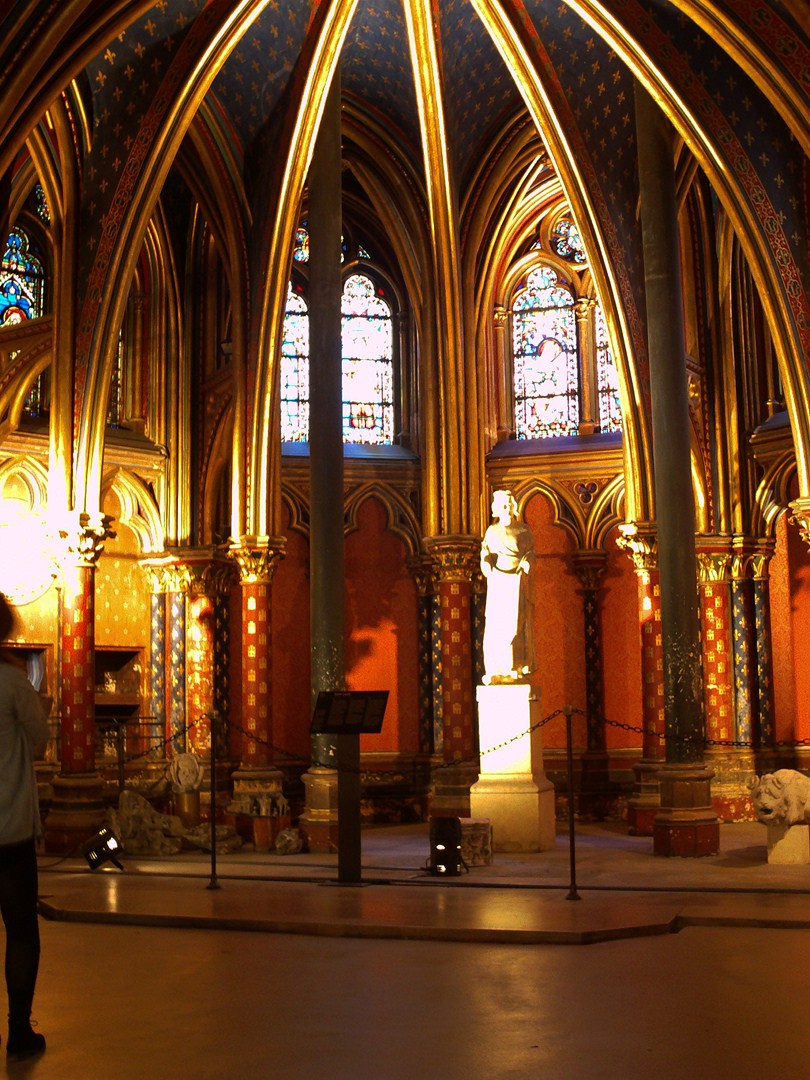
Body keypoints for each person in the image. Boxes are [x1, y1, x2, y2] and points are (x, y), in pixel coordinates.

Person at [0, 593, 48, 1061]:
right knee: (20, 930)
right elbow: (40, 739)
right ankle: (18, 1030)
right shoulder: (13, 683)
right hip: (9, 828)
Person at [480, 489, 536, 683]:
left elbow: (530, 552)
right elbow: (485, 551)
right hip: (497, 582)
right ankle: (496, 668)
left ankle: (514, 666)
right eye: (502, 505)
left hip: (516, 581)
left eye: (509, 505)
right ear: (496, 508)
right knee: (496, 624)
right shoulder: (492, 531)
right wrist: (485, 563)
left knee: (516, 623)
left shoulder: (523, 530)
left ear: (513, 507)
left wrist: (527, 562)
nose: (506, 509)